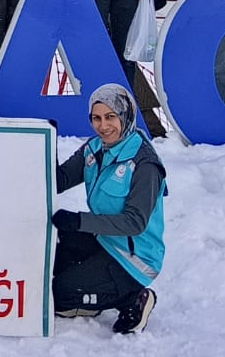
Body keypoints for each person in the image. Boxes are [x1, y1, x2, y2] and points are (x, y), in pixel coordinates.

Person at [50, 85, 164, 334]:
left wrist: (81, 221)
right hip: (106, 241)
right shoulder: (94, 149)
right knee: (50, 267)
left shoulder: (145, 163)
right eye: (96, 118)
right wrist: (46, 144)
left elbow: (135, 222)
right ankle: (93, 290)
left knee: (60, 292)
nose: (103, 126)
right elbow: (58, 180)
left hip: (134, 258)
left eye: (111, 117)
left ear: (126, 116)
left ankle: (133, 298)